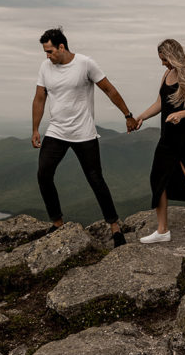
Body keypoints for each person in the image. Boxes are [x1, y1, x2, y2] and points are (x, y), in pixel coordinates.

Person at [32, 27, 134, 247]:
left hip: (83, 132)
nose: (47, 56)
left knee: (95, 178)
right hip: (57, 131)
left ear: (62, 46)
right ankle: (57, 222)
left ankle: (115, 227)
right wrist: (35, 129)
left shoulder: (85, 63)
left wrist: (128, 115)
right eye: (45, 52)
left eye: (49, 51)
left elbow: (109, 90)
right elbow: (39, 98)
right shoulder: (45, 67)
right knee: (43, 174)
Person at [133, 38, 185, 250]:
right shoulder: (167, 74)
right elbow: (161, 103)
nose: (162, 63)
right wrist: (141, 116)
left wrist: (181, 114)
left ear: (172, 56)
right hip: (168, 136)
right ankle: (162, 231)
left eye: (164, 59)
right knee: (158, 178)